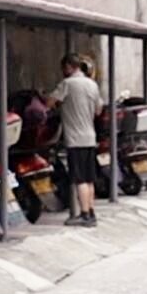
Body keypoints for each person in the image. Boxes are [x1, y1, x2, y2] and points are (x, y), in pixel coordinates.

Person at [46, 53, 103, 226]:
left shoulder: (67, 84)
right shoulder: (92, 84)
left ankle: (84, 214)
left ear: (69, 67)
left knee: (80, 179)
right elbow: (98, 110)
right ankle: (91, 212)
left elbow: (49, 103)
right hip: (90, 137)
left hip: (75, 139)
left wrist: (59, 104)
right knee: (89, 178)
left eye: (63, 68)